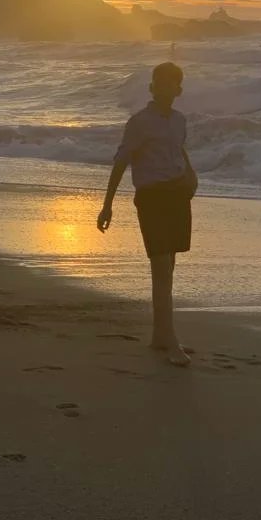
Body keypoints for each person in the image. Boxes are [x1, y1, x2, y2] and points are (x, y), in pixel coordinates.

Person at [97, 62, 198, 366]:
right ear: (153, 87)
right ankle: (171, 341)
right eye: (161, 82)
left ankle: (160, 335)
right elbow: (121, 161)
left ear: (179, 89)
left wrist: (191, 175)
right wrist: (107, 204)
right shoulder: (139, 122)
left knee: (170, 267)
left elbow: (179, 150)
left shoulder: (179, 120)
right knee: (161, 267)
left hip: (178, 193)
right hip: (152, 197)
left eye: (172, 83)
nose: (166, 88)